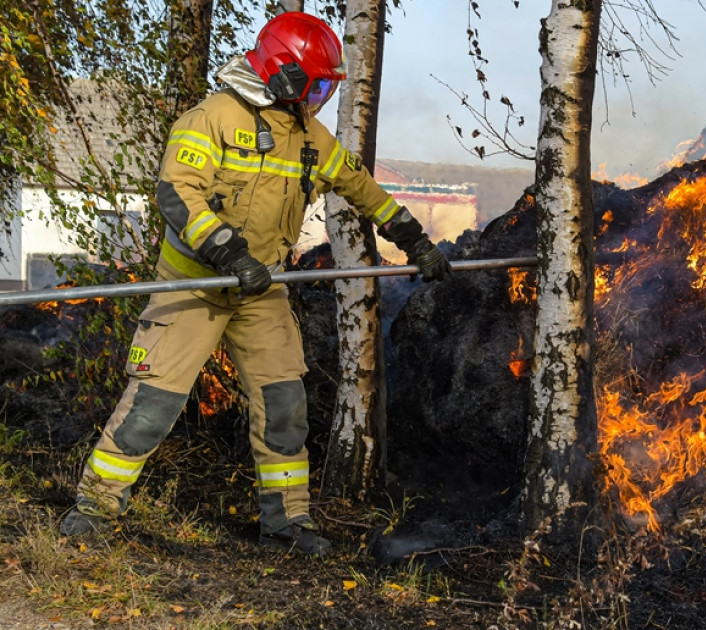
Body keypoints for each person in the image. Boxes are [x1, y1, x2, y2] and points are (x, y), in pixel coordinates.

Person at [59, 11, 452, 556]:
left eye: (324, 87)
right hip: (194, 285)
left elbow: (361, 188)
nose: (317, 96)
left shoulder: (309, 136)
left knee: (285, 407)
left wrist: (414, 238)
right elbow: (177, 193)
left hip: (261, 290)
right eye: (313, 84)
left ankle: (287, 524)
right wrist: (226, 250)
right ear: (282, 71)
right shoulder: (212, 119)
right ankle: (95, 507)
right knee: (152, 403)